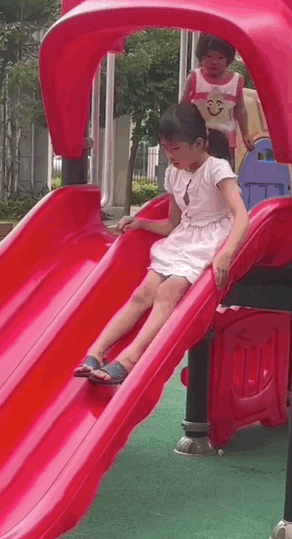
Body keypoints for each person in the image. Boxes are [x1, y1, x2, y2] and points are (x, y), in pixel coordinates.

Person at [74, 103, 250, 386]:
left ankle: (129, 360)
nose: (170, 156)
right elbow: (172, 225)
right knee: (142, 294)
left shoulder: (216, 170)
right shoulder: (174, 174)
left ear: (199, 144)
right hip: (183, 239)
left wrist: (227, 253)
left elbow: (242, 215)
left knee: (168, 292)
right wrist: (141, 223)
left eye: (175, 149)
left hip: (209, 241)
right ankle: (95, 352)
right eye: (166, 149)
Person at [180, 34, 255, 169]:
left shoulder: (236, 81)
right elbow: (184, 106)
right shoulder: (194, 78)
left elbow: (240, 108)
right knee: (197, 173)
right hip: (198, 142)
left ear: (229, 59)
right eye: (209, 56)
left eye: (220, 57)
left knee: (222, 173)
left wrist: (245, 134)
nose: (214, 62)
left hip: (225, 143)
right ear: (201, 56)